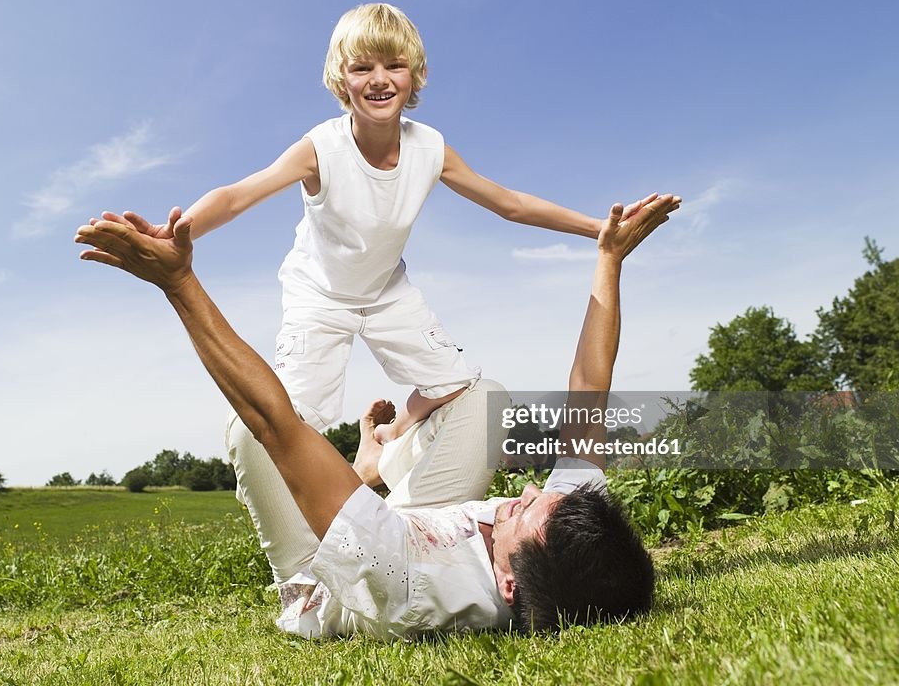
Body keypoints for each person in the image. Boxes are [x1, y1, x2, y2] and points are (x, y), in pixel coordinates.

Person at [75, 192, 680, 637]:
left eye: (523, 511)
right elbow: (590, 388)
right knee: (484, 394)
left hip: (328, 571)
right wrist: (610, 258)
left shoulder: (407, 582)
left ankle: (362, 479)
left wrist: (179, 283)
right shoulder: (569, 531)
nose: (525, 490)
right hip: (419, 521)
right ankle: (369, 475)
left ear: (508, 583)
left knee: (252, 437)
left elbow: (274, 422)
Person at [103, 2, 618, 441]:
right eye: (362, 67)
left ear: (414, 75)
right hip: (320, 294)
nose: (379, 79)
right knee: (294, 417)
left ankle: (388, 438)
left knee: (454, 384)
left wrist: (597, 228)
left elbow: (510, 203)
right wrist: (178, 229)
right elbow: (240, 195)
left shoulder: (431, 149)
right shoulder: (320, 148)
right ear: (340, 79)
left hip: (386, 292)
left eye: (394, 65)